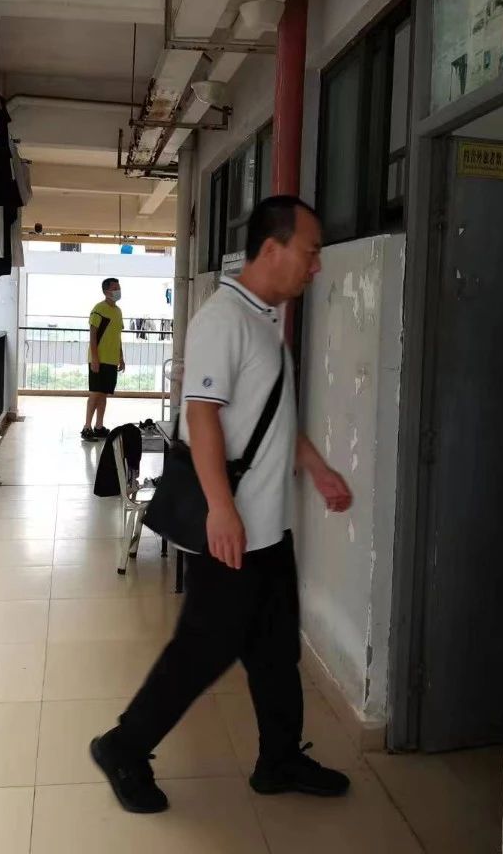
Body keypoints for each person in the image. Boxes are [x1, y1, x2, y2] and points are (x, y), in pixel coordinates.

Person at [90, 195, 354, 814]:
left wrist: (317, 469)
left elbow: (270, 419)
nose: (316, 266)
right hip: (232, 534)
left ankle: (279, 759)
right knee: (201, 652)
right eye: (311, 252)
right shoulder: (223, 321)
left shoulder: (262, 321)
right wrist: (220, 509)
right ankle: (123, 747)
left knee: (276, 652)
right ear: (273, 249)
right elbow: (202, 416)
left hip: (268, 533)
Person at [83, 277, 125, 441]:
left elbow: (117, 336)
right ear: (106, 291)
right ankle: (87, 427)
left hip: (112, 360)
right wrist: (95, 358)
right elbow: (93, 335)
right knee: (95, 393)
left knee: (104, 394)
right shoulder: (98, 309)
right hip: (99, 359)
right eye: (114, 288)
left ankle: (99, 426)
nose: (118, 291)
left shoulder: (118, 311)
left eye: (118, 287)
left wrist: (121, 357)